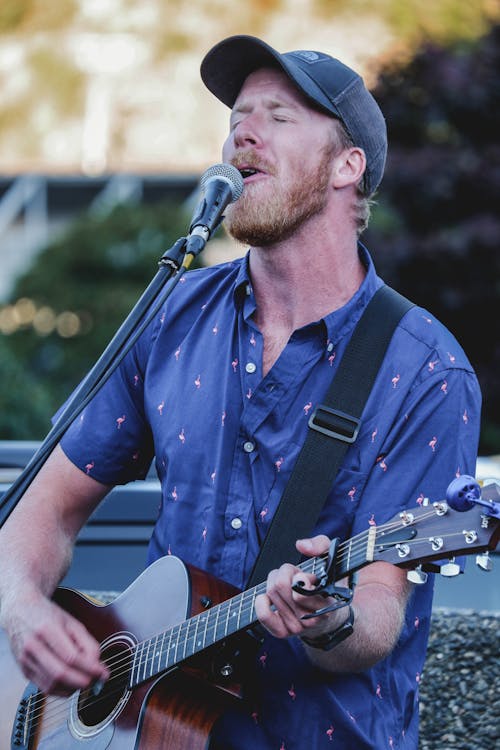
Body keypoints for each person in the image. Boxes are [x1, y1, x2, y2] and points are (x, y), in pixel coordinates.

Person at [0, 34, 481, 750]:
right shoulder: (172, 314)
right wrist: (23, 610)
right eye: (237, 116)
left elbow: (379, 610)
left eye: (278, 116)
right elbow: (41, 510)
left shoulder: (426, 370)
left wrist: (332, 618)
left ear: (349, 166)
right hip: (148, 733)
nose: (241, 133)